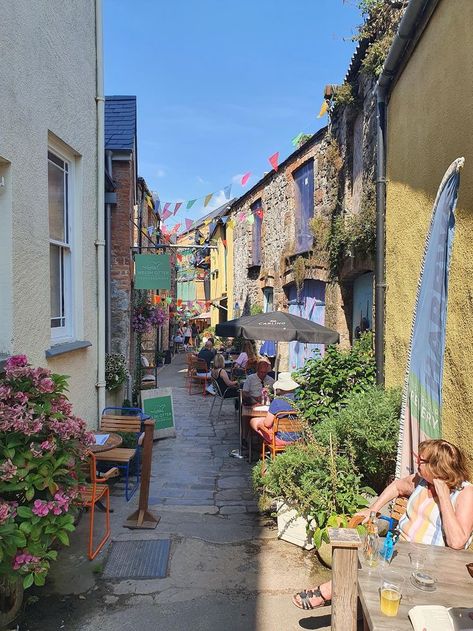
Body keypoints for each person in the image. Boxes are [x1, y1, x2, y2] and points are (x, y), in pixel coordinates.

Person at [292, 439, 473, 610]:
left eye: (422, 460)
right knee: (356, 555)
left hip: (429, 567)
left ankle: (329, 592)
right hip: (397, 551)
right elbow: (397, 486)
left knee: (366, 567)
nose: (417, 462)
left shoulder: (465, 493)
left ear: (436, 466)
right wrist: (373, 509)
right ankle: (338, 593)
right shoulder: (422, 481)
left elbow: (457, 542)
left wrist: (443, 495)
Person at [249, 372, 300, 446]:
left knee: (254, 421)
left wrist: (260, 422)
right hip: (299, 438)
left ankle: (256, 446)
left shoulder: (277, 402)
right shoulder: (302, 400)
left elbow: (267, 424)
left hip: (281, 439)